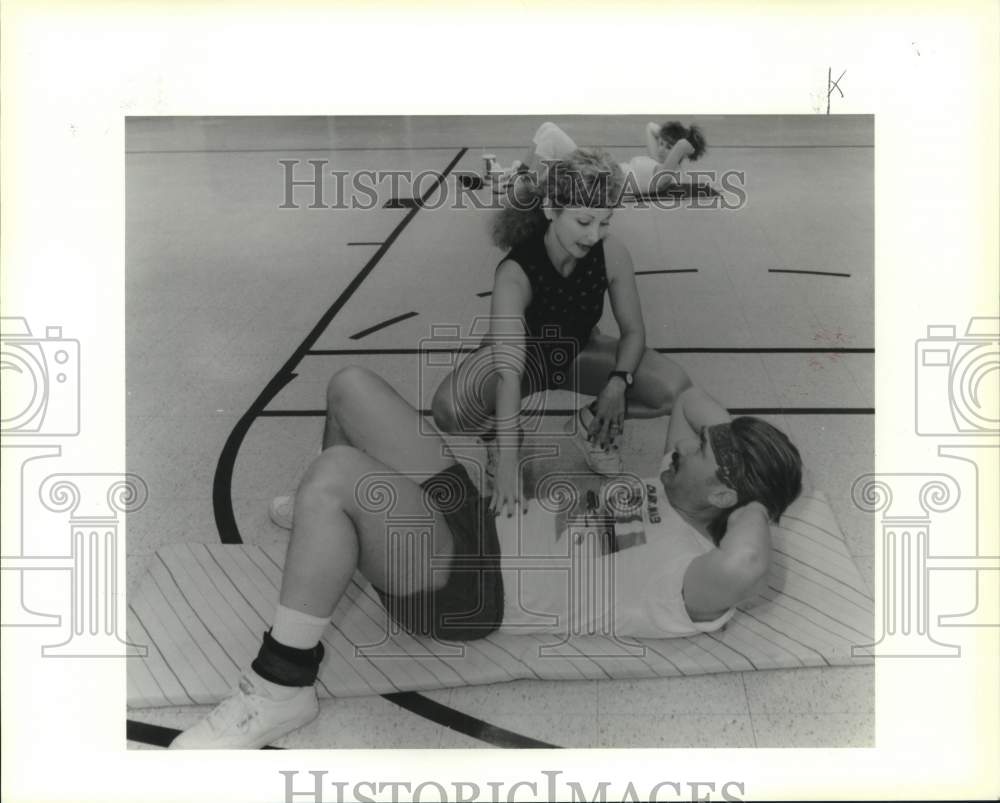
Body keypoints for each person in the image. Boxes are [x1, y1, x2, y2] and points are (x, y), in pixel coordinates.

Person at [170, 365, 802, 749]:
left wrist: (757, 506)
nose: (677, 450)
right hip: (476, 517)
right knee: (350, 388)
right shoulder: (682, 489)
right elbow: (689, 397)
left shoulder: (699, 579)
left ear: (726, 497)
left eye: (697, 455)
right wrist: (731, 465)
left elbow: (748, 563)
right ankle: (328, 524)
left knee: (338, 474)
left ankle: (281, 685)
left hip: (468, 588)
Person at [430, 146, 693, 520]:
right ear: (552, 209)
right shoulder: (516, 272)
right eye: (584, 222)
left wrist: (618, 382)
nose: (593, 236)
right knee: (450, 410)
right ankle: (500, 439)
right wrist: (507, 461)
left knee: (674, 389)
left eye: (604, 222)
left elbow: (633, 331)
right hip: (520, 363)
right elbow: (508, 372)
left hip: (578, 353)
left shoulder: (611, 252)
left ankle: (588, 426)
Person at [496, 120, 708, 197]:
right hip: (596, 168)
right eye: (661, 143)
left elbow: (680, 146)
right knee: (547, 127)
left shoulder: (664, 176)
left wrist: (685, 143)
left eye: (668, 147)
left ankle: (527, 186)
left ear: (677, 154)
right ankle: (522, 172)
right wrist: (670, 139)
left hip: (596, 177)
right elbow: (651, 127)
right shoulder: (658, 161)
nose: (661, 149)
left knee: (550, 134)